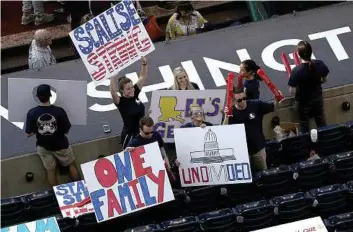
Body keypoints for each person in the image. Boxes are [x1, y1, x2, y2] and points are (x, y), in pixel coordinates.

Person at [25, 84, 80, 186]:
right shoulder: (59, 111)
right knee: (71, 165)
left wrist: (39, 129)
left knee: (50, 171)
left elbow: (28, 133)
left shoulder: (32, 113)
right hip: (61, 145)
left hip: (43, 147)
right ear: (50, 95)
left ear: (37, 97)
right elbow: (66, 130)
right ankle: (81, 190)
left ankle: (55, 196)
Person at [223, 88, 282, 172]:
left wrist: (277, 99)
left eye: (244, 98)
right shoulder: (231, 112)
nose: (243, 101)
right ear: (234, 101)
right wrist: (226, 116)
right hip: (241, 150)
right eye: (239, 100)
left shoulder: (255, 104)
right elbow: (224, 129)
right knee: (246, 173)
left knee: (263, 170)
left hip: (258, 147)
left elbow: (273, 107)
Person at [288, 41, 329, 133]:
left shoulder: (296, 71)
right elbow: (325, 79)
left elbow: (292, 91)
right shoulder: (320, 64)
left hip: (303, 103)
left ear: (298, 54)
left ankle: (307, 146)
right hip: (317, 99)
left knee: (304, 125)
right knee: (321, 123)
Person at [110, 57, 148, 149]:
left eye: (132, 87)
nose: (132, 90)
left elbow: (143, 76)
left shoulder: (135, 93)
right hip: (130, 136)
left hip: (142, 132)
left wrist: (144, 64)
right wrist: (112, 77)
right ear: (122, 91)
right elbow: (113, 92)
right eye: (128, 89)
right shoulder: (120, 102)